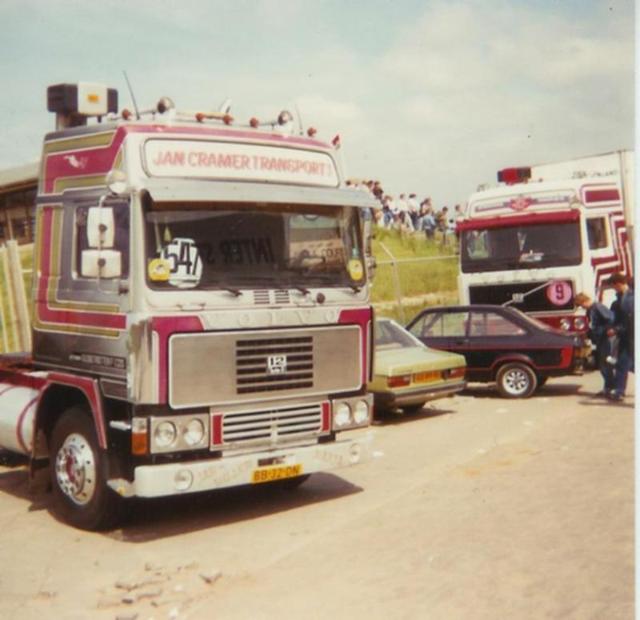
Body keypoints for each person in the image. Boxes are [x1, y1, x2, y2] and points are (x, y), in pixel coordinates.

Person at [574, 292, 614, 397]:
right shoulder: (590, 310)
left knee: (605, 364)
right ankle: (608, 387)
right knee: (603, 364)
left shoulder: (597, 307)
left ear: (585, 301)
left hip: (605, 339)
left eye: (581, 305)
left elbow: (610, 318)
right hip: (599, 340)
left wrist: (606, 330)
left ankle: (610, 388)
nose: (582, 307)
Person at [605, 273, 634, 401]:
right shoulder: (620, 298)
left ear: (618, 283)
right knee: (623, 363)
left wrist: (616, 329)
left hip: (632, 336)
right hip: (625, 336)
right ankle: (619, 391)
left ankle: (619, 390)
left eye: (613, 287)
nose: (614, 290)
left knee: (625, 363)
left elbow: (630, 320)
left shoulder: (631, 298)